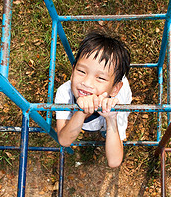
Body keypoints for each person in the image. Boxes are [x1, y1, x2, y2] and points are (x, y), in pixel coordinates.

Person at [55, 31, 132, 168]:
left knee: (108, 132)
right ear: (73, 71)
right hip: (86, 119)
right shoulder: (65, 93)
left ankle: (105, 130)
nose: (87, 83)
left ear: (115, 88)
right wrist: (81, 112)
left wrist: (111, 119)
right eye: (81, 71)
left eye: (100, 78)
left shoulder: (117, 103)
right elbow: (64, 140)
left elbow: (114, 161)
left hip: (110, 112)